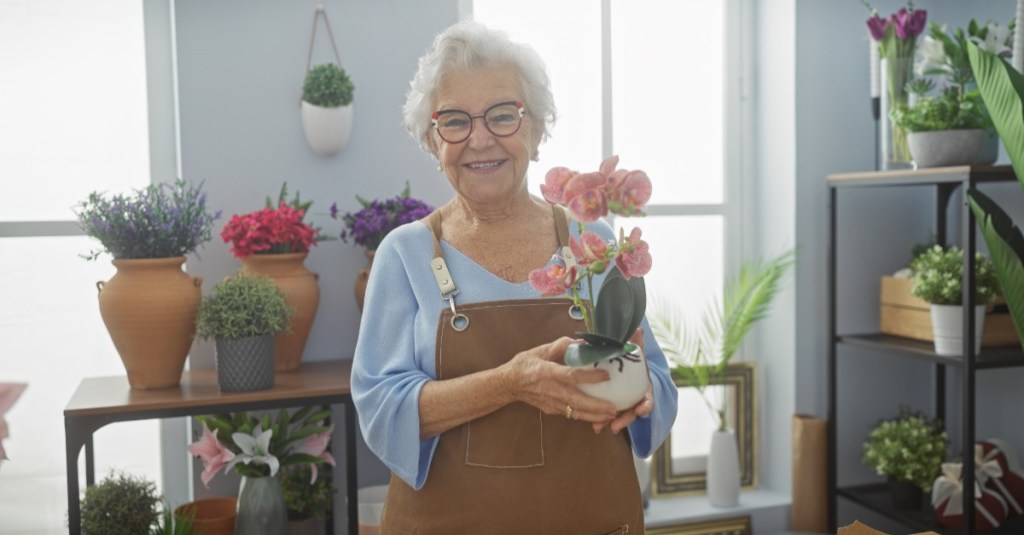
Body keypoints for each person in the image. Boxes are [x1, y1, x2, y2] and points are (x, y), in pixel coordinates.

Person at [351, 20, 677, 534]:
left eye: (503, 115)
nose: (480, 139)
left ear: (537, 128)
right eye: (455, 121)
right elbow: (381, 409)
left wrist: (643, 393)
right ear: (432, 140)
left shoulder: (591, 243)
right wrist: (511, 383)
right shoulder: (405, 255)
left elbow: (657, 380)